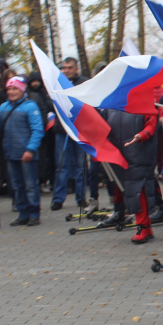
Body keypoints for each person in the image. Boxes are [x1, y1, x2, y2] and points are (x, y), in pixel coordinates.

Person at [101, 102, 159, 244]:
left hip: (138, 152)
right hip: (120, 154)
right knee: (127, 190)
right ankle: (145, 225)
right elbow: (104, 126)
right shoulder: (112, 105)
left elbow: (151, 125)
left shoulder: (144, 101)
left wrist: (141, 136)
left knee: (137, 190)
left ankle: (142, 226)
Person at [0, 77, 44, 227]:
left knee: (30, 185)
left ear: (22, 90)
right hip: (10, 153)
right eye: (9, 89)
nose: (11, 92)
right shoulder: (3, 107)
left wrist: (30, 149)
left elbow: (38, 130)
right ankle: (23, 213)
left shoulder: (30, 106)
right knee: (17, 185)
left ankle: (34, 214)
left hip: (26, 153)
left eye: (15, 89)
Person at [51, 58, 88, 211]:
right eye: (64, 68)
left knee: (80, 166)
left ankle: (81, 197)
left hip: (80, 129)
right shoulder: (56, 84)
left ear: (76, 68)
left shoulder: (84, 82)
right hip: (62, 130)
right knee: (61, 166)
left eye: (69, 67)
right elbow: (50, 103)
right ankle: (58, 199)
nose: (66, 70)